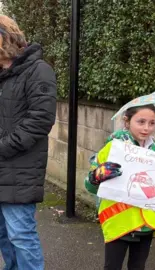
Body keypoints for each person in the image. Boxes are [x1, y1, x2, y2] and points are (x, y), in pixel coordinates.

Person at [0, 15, 57, 270]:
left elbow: (40, 120)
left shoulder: (38, 70)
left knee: (21, 236)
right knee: (4, 236)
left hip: (20, 169)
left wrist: (3, 147)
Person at [84, 104, 155, 270]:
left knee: (138, 266)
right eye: (141, 122)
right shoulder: (113, 148)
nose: (146, 128)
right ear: (127, 122)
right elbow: (89, 185)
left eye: (152, 123)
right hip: (118, 219)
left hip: (146, 223)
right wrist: (97, 175)